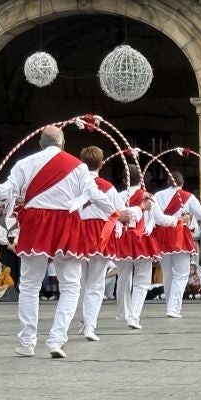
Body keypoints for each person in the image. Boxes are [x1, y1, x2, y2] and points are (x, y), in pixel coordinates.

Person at [0, 125, 131, 358]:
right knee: (71, 285)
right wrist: (115, 212)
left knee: (30, 285)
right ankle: (57, 340)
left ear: (40, 144)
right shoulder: (79, 167)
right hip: (67, 224)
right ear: (63, 145)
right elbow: (94, 195)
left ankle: (27, 342)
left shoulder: (26, 163)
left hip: (36, 224)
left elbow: (6, 191)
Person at [74, 146, 129, 343]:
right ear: (101, 163)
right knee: (95, 283)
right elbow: (122, 213)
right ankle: (90, 325)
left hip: (78, 233)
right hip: (99, 233)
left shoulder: (74, 183)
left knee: (79, 282)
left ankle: (82, 320)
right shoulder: (106, 186)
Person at [113, 164, 177, 330]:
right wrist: (176, 221)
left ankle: (123, 313)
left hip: (124, 240)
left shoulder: (118, 196)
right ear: (141, 179)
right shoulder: (148, 197)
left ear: (123, 179)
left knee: (123, 277)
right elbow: (161, 219)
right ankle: (134, 317)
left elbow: (114, 216)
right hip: (142, 240)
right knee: (142, 280)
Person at [152, 171, 201, 319]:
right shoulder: (188, 197)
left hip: (162, 235)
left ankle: (170, 305)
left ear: (168, 181)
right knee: (181, 274)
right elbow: (200, 213)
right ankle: (173, 308)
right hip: (179, 235)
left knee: (168, 273)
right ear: (182, 183)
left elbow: (154, 216)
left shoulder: (158, 196)